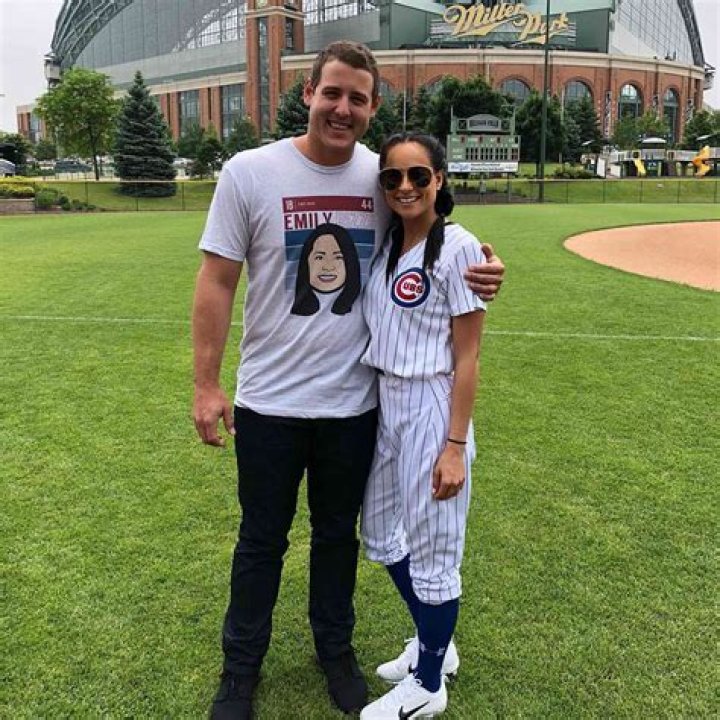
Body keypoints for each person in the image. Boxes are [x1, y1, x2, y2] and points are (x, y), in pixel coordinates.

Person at [192, 41, 504, 720]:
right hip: (269, 401)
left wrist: (483, 266)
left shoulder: (382, 176)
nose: (342, 108)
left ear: (372, 106)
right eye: (331, 93)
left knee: (338, 538)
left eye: (357, 98)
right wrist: (206, 384)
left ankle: (335, 652)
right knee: (261, 541)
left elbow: (435, 226)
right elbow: (217, 280)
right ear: (308, 93)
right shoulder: (250, 172)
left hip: (356, 405)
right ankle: (240, 671)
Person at [359, 133, 486, 719]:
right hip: (386, 401)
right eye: (393, 177)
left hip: (432, 404)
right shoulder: (388, 243)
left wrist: (454, 445)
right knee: (382, 533)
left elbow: (468, 357)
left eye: (417, 175)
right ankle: (437, 642)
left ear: (439, 179)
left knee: (434, 551)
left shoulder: (459, 248)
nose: (405, 187)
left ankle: (429, 682)